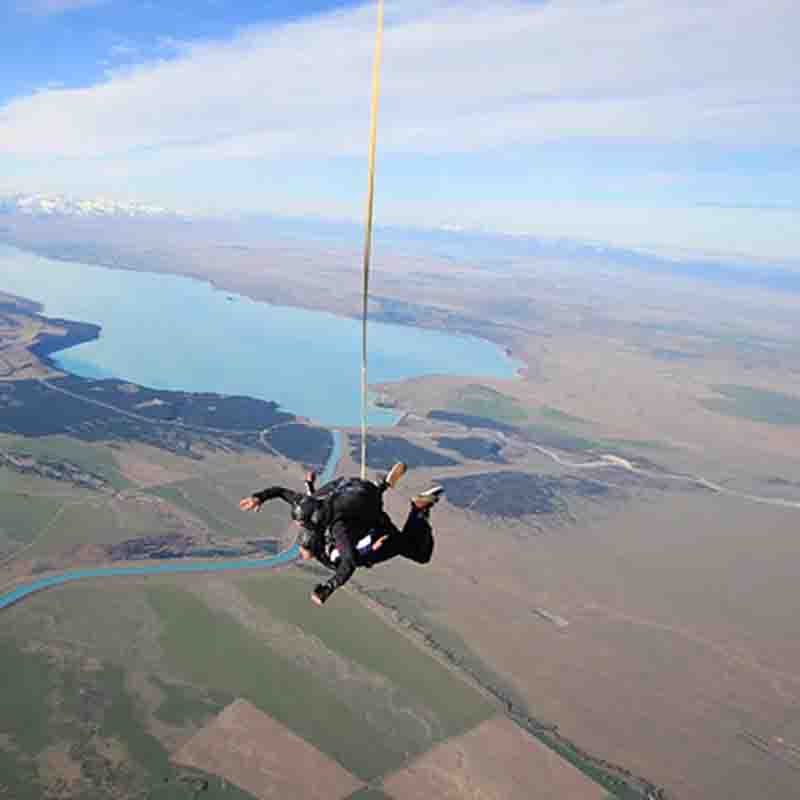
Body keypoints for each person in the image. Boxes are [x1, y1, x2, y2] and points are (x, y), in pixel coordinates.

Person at [239, 462, 442, 606]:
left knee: (420, 554)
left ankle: (418, 508)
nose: (301, 553)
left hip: (375, 530)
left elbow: (350, 561)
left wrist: (329, 587)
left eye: (303, 549)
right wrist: (260, 497)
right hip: (359, 493)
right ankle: (384, 488)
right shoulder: (311, 502)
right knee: (380, 522)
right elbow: (281, 491)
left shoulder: (338, 529)